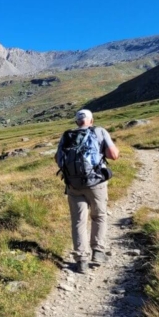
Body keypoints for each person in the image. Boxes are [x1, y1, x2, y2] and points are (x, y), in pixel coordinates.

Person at [55, 109, 120, 273]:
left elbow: (58, 159)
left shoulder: (67, 135)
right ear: (91, 120)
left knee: (78, 221)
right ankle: (98, 252)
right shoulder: (99, 131)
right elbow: (113, 155)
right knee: (99, 216)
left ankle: (81, 261)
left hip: (73, 185)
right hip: (96, 183)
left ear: (77, 122)